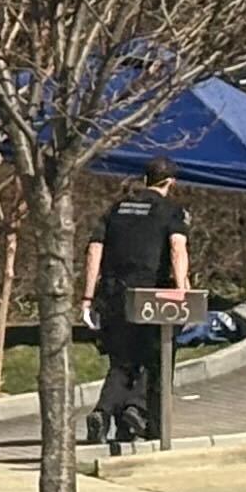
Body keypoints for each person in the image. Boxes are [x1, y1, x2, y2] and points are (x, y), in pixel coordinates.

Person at [80, 159, 193, 451]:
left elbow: (94, 251)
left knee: (122, 362)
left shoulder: (116, 208)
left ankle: (103, 413)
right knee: (155, 360)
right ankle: (139, 413)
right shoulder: (171, 211)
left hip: (114, 295)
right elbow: (177, 248)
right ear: (171, 182)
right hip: (152, 295)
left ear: (145, 178)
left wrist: (88, 297)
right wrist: (182, 291)